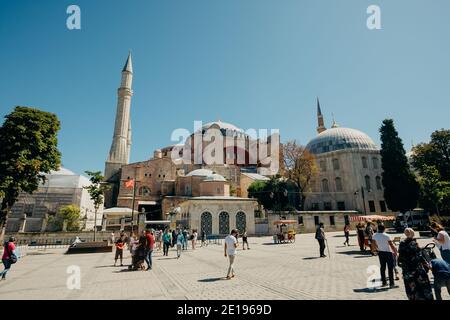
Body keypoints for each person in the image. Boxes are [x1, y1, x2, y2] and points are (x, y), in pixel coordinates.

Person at [398, 228, 433, 300]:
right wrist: (427, 264)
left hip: (407, 270)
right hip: (417, 269)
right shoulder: (414, 243)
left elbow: (400, 258)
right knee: (423, 287)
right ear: (413, 234)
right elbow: (419, 256)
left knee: (411, 288)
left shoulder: (401, 244)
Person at [371, 224, 398, 288]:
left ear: (378, 228)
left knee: (382, 268)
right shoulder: (387, 235)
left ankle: (384, 282)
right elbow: (391, 245)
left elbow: (373, 245)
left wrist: (374, 251)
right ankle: (391, 283)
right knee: (390, 268)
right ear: (384, 229)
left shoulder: (374, 235)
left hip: (381, 252)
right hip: (388, 253)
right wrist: (395, 251)